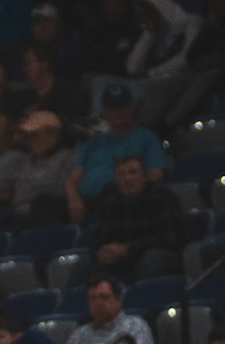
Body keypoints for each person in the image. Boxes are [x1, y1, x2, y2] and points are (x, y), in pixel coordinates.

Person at [66, 83, 170, 217]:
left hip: (122, 200)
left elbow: (155, 175)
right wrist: (74, 200)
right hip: (84, 203)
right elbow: (72, 180)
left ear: (132, 108)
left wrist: (126, 185)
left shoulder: (147, 138)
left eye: (123, 107)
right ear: (104, 112)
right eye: (113, 109)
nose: (119, 112)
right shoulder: (92, 143)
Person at [91, 154, 185, 279]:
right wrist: (104, 251)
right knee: (84, 263)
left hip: (158, 254)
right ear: (116, 180)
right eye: (121, 174)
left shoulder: (163, 197)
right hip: (122, 257)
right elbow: (100, 238)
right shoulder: (111, 203)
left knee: (152, 258)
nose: (127, 178)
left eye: (133, 172)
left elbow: (171, 238)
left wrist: (128, 249)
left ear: (145, 176)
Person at [10, 110, 77, 230]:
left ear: (54, 135)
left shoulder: (68, 157)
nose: (30, 141)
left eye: (35, 136)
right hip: (17, 212)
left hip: (47, 211)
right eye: (29, 137)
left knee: (41, 202)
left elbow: (61, 193)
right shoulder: (26, 160)